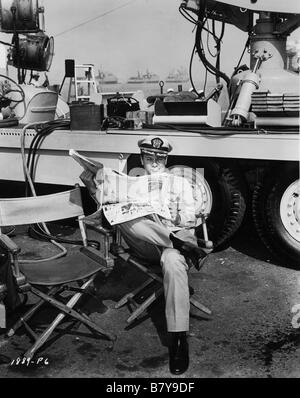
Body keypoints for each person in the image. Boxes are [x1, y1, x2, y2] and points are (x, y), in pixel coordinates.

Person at [80, 135, 209, 375]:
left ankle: (178, 339)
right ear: (142, 158)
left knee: (172, 262)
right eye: (149, 157)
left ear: (167, 159)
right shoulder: (131, 182)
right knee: (123, 214)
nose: (155, 162)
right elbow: (109, 210)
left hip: (174, 241)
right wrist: (94, 187)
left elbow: (191, 220)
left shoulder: (180, 183)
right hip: (146, 243)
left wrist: (172, 216)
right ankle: (180, 245)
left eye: (160, 158)